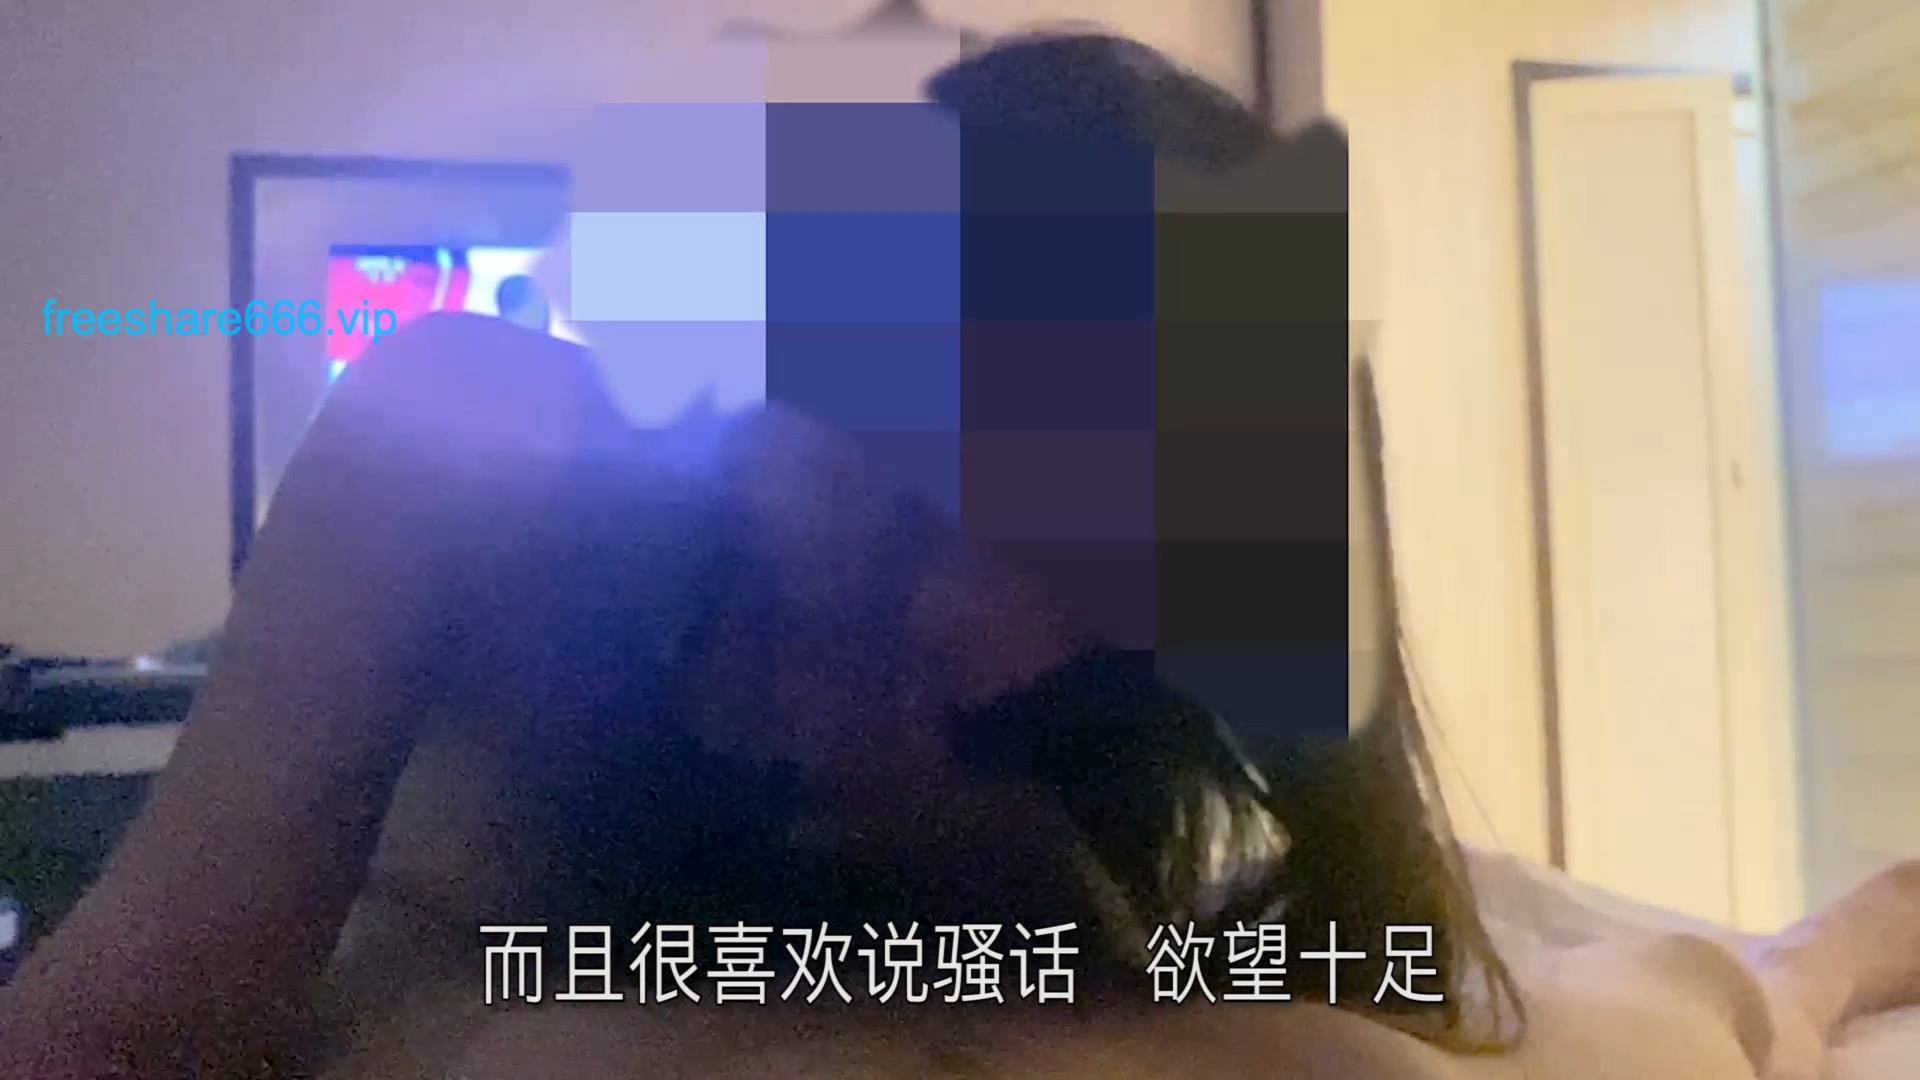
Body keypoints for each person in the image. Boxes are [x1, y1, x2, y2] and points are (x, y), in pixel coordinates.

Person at [1, 30, 1917, 1080]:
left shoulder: (1056, 703)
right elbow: (130, 1027)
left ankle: (1814, 960)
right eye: (931, 492)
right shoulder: (464, 442)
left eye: (1092, 579)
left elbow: (1301, 949)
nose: (978, 615)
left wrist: (949, 811)